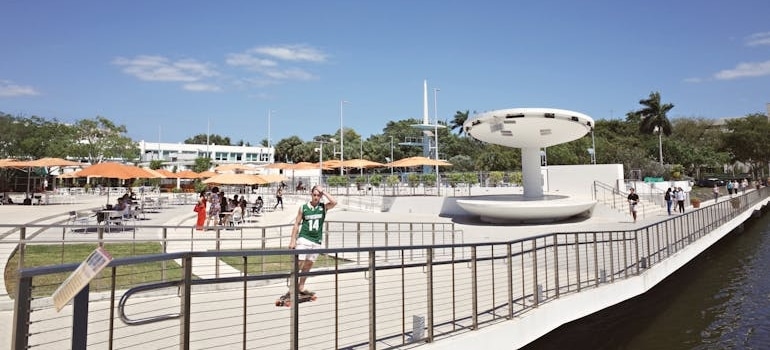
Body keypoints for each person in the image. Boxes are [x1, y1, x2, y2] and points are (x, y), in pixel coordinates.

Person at [282, 185, 338, 300]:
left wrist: (324, 192)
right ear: (311, 195)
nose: (316, 197)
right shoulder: (304, 208)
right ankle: (292, 288)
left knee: (308, 265)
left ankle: (301, 287)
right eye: (314, 195)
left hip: (316, 241)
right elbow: (296, 223)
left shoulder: (323, 207)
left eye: (318, 195)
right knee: (299, 263)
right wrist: (292, 240)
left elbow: (334, 202)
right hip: (304, 238)